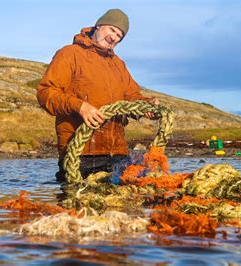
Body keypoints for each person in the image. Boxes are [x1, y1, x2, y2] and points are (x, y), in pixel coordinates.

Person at [37, 9, 158, 182]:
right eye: (112, 30)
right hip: (80, 155)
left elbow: (131, 96)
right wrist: (80, 106)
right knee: (75, 205)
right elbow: (46, 92)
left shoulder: (118, 64)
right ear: (99, 26)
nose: (114, 37)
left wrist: (146, 105)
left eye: (119, 36)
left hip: (117, 154)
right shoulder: (69, 54)